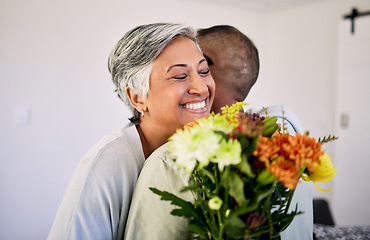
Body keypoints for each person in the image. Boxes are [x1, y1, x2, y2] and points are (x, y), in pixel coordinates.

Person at [124, 25, 313, 240]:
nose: (198, 84)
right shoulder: (293, 154)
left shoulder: (172, 161)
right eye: (180, 74)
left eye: (201, 68)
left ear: (207, 66)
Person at [47, 23, 215, 240]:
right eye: (180, 76)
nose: (201, 88)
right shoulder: (109, 161)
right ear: (137, 97)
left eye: (204, 71)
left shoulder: (208, 152)